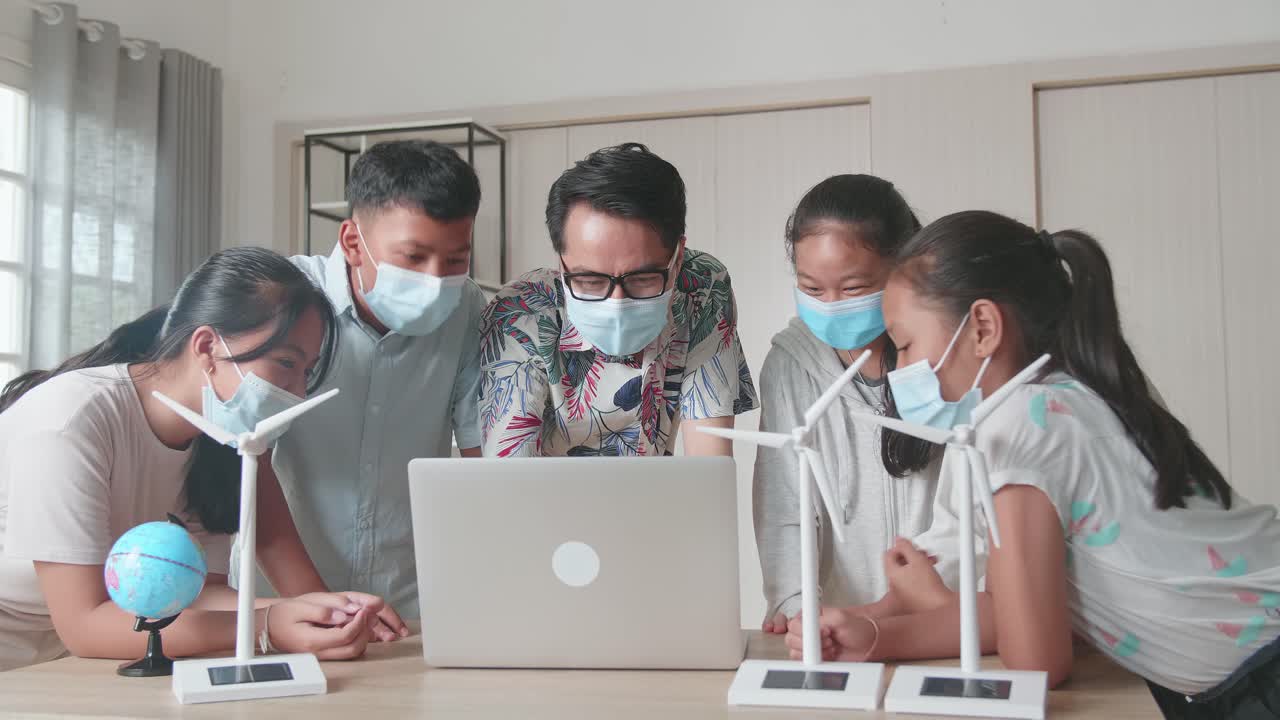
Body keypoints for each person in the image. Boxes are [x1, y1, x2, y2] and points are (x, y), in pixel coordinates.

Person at [786, 211, 1280, 719]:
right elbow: (1020, 615)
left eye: (906, 344)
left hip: (1262, 674)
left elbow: (1037, 660)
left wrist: (932, 602)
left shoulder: (1019, 426)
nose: (900, 371)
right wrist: (873, 637)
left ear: (982, 327)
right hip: (1237, 673)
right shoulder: (1070, 397)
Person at [0, 247, 390, 671]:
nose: (296, 393)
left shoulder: (218, 439)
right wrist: (266, 626)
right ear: (206, 346)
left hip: (75, 661)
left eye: (306, 373)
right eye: (285, 364)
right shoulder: (70, 420)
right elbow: (85, 623)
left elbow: (194, 594)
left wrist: (322, 611)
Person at [256, 140, 486, 623]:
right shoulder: (284, 302)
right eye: (413, 257)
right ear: (352, 242)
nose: (435, 278)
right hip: (280, 599)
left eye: (455, 260)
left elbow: (477, 458)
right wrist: (314, 601)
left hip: (409, 604)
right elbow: (248, 461)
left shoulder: (466, 308)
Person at [754, 175, 946, 636]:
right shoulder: (790, 364)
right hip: (842, 630)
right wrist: (798, 609)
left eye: (855, 288)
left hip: (951, 616)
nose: (832, 306)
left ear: (903, 269)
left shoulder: (944, 356)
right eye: (813, 289)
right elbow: (783, 505)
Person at [479, 143, 757, 457]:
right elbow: (509, 484)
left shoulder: (701, 289)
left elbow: (710, 467)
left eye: (641, 279)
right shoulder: (521, 312)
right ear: (561, 263)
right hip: (542, 503)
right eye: (590, 280)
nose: (617, 304)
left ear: (677, 258)